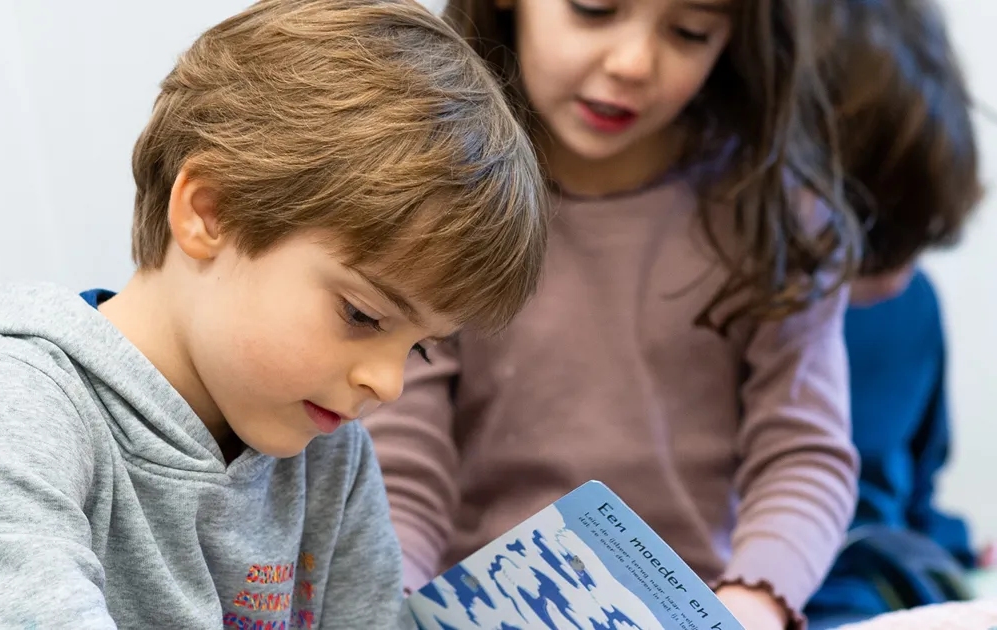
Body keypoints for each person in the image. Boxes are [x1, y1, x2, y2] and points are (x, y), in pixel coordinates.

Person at [0, 1, 549, 628]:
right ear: (209, 212)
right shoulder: (4, 414)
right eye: (362, 314)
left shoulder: (329, 459)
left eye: (420, 348)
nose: (388, 385)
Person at [362, 1, 862, 628]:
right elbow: (401, 466)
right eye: (594, 9)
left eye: (690, 32)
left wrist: (752, 604)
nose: (633, 64)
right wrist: (389, 606)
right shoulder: (434, 203)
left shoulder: (781, 221)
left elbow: (803, 456)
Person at [804, 0, 985, 626]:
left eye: (919, 243)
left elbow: (909, 488)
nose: (895, 281)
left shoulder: (912, 303)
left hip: (880, 587)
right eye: (875, 247)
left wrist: (960, 549)